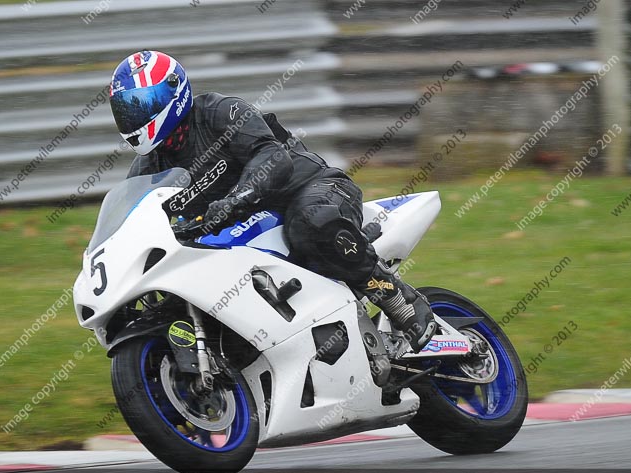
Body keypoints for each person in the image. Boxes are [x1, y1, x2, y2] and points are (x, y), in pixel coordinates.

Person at [109, 50, 435, 352]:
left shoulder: (220, 112)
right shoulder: (148, 168)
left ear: (172, 92)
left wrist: (237, 198)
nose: (133, 116)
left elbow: (273, 157)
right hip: (242, 226)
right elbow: (138, 223)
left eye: (141, 104)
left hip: (310, 189)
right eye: (126, 109)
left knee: (310, 223)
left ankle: (400, 302)